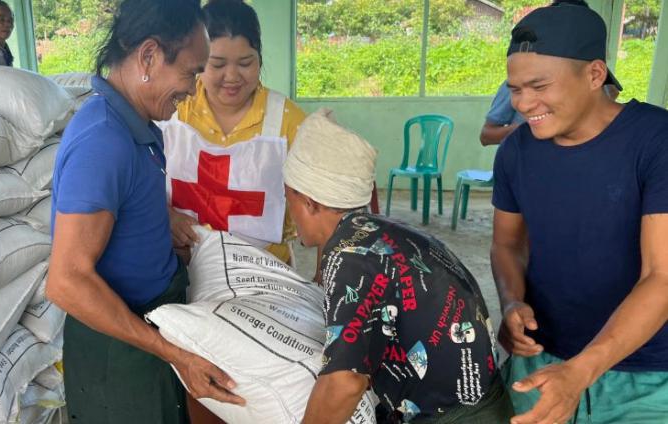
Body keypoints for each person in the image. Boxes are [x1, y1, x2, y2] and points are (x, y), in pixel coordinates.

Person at [45, 1, 245, 423]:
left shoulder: (134, 125)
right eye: (191, 72)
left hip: (148, 330)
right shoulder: (103, 142)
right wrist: (172, 352)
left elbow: (120, 198)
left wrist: (161, 220)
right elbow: (66, 281)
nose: (194, 88)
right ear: (149, 57)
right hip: (120, 352)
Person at [492, 4, 668, 424]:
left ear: (593, 75)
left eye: (538, 86)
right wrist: (511, 300)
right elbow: (507, 244)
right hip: (540, 362)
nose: (524, 103)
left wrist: (582, 370)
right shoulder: (516, 151)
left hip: (644, 377)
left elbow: (661, 276)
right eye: (515, 89)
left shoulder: (655, 141)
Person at [285, 109, 514, 424]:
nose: (290, 214)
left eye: (290, 201)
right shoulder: (378, 231)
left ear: (309, 202)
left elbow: (345, 382)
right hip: (476, 401)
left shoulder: (350, 256)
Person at [164, 0, 307, 267]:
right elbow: (139, 183)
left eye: (245, 63)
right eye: (217, 64)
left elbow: (319, 207)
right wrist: (168, 215)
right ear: (197, 63)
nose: (232, 76)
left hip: (264, 275)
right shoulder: (174, 109)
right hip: (185, 267)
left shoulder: (289, 122)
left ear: (260, 59)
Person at [478, 0, 617, 147]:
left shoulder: (601, 83)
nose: (524, 105)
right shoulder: (520, 80)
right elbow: (486, 135)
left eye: (539, 87)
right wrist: (526, 129)